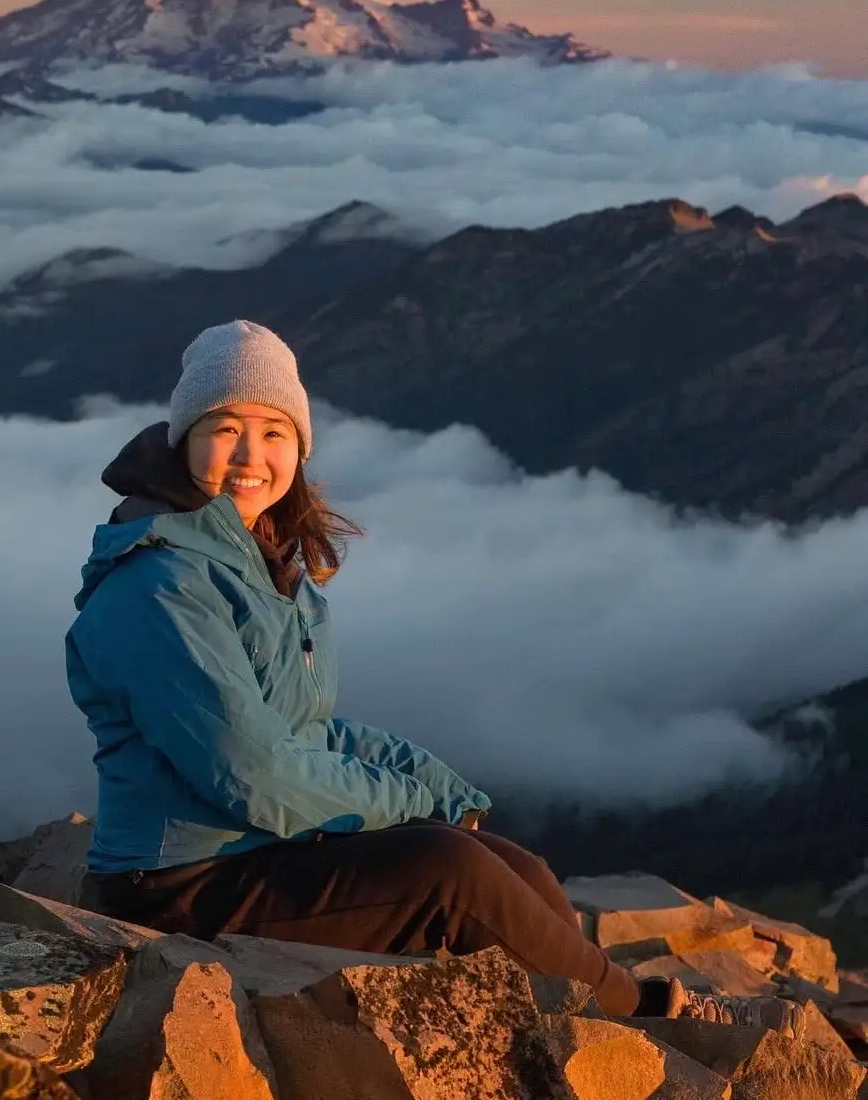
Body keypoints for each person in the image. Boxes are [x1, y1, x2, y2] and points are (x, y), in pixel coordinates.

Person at [66, 320, 798, 1028]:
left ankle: (570, 1021)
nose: (250, 452)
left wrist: (432, 782)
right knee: (451, 870)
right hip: (176, 885)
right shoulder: (161, 584)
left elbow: (300, 727)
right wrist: (407, 801)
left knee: (517, 869)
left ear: (298, 445)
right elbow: (254, 772)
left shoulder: (254, 558)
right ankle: (647, 1013)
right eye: (225, 427)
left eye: (274, 431)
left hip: (253, 849)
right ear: (184, 436)